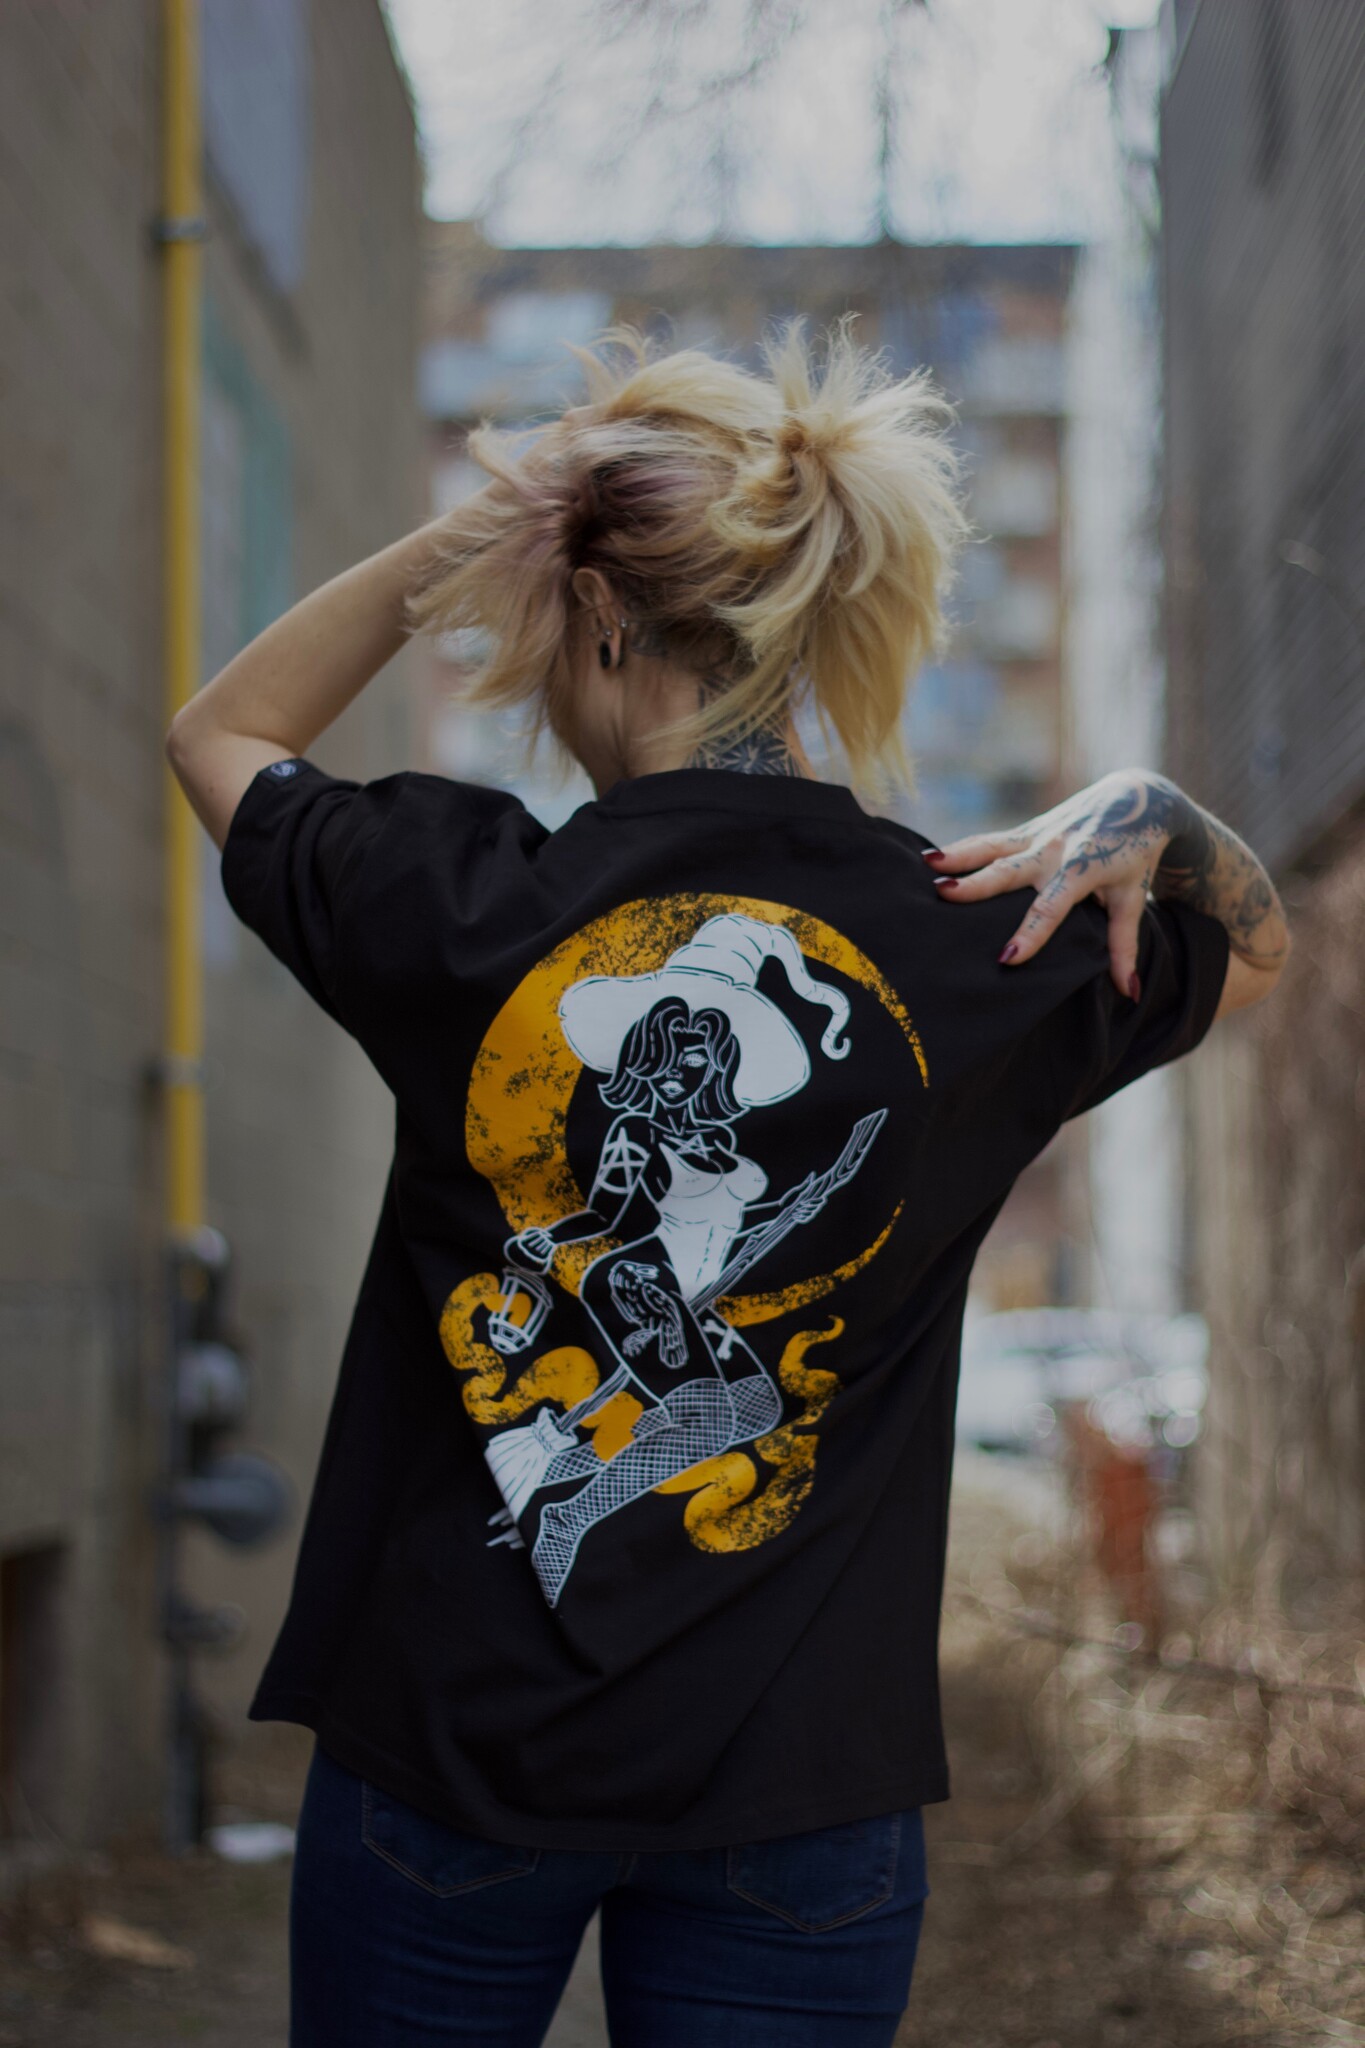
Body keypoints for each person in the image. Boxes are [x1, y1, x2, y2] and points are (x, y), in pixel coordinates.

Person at [166, 324, 1289, 2048]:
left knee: (700, 1377)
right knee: (701, 1371)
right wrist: (1154, 807)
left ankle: (573, 1479)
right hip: (799, 1786)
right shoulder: (980, 942)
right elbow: (1257, 949)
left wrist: (475, 533)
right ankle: (584, 1466)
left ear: (596, 618)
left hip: (452, 1750)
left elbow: (220, 730)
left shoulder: (462, 904)